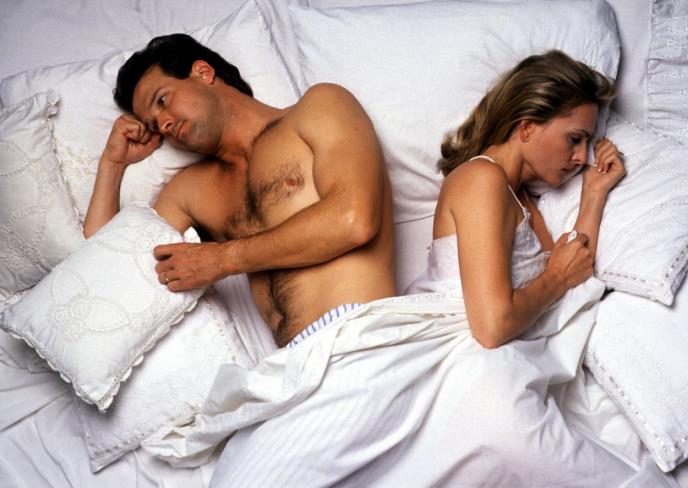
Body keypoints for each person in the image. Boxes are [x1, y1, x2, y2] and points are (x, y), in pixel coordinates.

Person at [83, 33, 396, 347]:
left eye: (163, 101)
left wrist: (223, 259)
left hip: (361, 332)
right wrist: (112, 164)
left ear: (203, 72)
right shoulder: (194, 190)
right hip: (290, 364)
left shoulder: (318, 106)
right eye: (153, 125)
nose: (163, 124)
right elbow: (108, 266)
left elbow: (353, 219)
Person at [407, 49, 625, 348]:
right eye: (575, 139)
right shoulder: (481, 179)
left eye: (587, 143)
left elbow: (574, 271)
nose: (581, 157)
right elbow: (492, 327)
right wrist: (557, 277)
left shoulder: (519, 197)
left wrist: (594, 193)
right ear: (527, 127)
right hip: (459, 349)